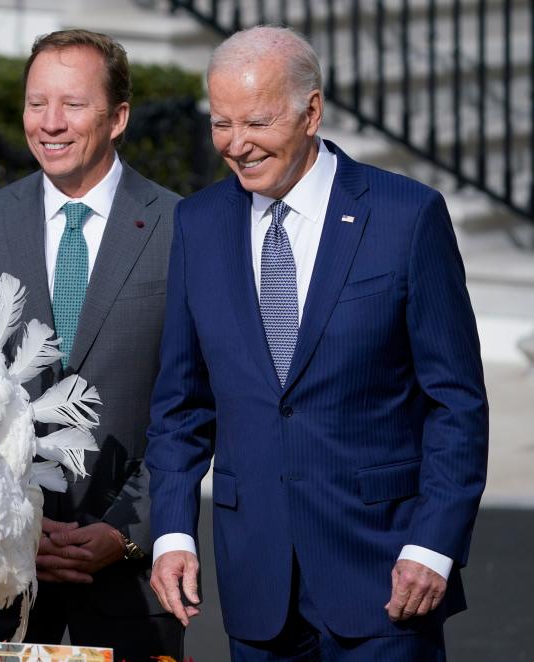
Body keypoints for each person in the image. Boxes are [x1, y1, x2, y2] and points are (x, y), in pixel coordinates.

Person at [147, 26, 488, 660]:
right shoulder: (199, 223)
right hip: (256, 585)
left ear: (312, 111)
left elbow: (456, 402)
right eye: (221, 123)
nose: (236, 144)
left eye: (256, 121)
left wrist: (433, 543)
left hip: (386, 575)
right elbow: (181, 406)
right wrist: (172, 533)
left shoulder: (406, 216)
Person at [0, 29, 183, 660]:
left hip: (135, 576)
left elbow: (198, 404)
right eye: (35, 103)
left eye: (73, 104)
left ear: (118, 118)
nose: (50, 124)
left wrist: (126, 531)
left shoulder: (181, 228)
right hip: (3, 572)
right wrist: (7, 521)